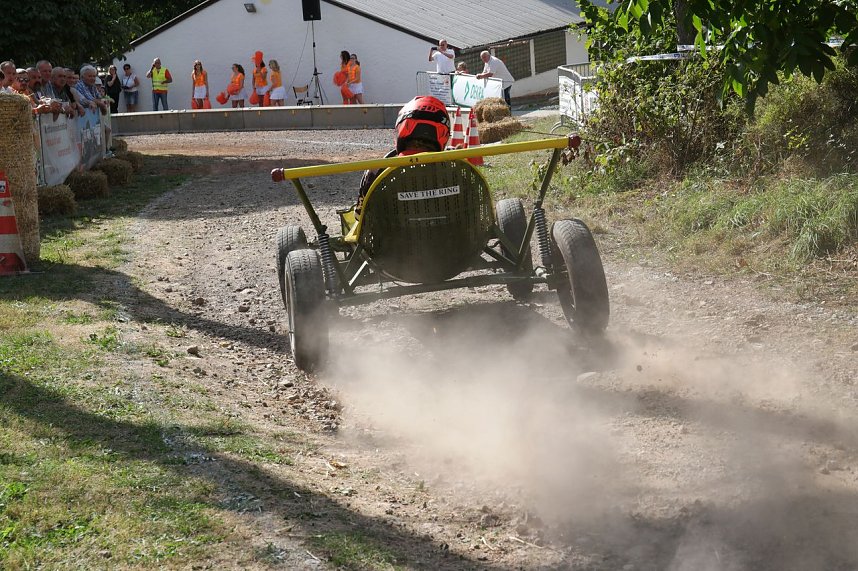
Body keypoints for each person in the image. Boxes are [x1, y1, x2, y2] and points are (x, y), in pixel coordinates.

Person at [356, 95, 450, 211]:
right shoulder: (455, 170)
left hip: (390, 229)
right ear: (444, 133)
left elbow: (360, 217)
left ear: (401, 126)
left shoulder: (376, 170)